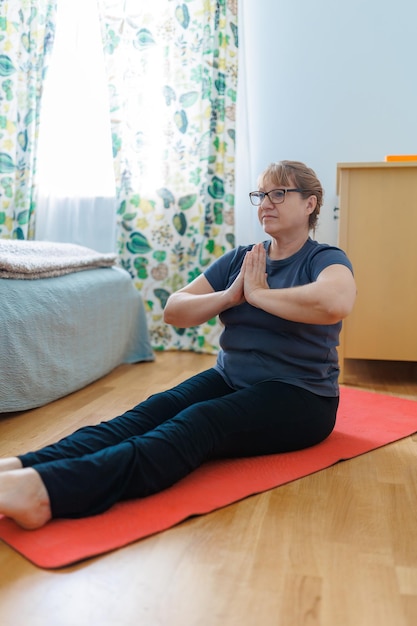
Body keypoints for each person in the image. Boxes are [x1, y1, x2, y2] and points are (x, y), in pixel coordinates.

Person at [0, 160, 356, 530]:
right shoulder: (242, 259)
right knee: (151, 412)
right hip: (232, 378)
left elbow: (334, 303)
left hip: (301, 396)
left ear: (310, 204)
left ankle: (45, 492)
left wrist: (260, 295)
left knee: (199, 422)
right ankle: (21, 466)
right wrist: (230, 296)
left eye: (278, 193)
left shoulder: (324, 258)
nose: (266, 202)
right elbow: (175, 309)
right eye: (261, 194)